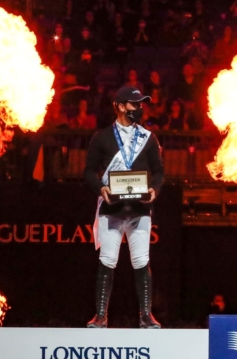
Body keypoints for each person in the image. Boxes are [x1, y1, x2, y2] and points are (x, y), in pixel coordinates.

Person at [83, 87, 164, 329]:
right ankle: (100, 316)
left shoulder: (148, 138)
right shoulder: (102, 137)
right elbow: (88, 171)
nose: (138, 108)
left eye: (140, 104)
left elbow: (159, 172)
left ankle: (146, 315)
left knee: (141, 261)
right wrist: (101, 188)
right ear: (119, 105)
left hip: (139, 209)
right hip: (112, 208)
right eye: (133, 104)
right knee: (107, 260)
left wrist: (154, 190)